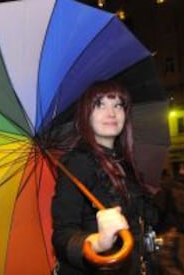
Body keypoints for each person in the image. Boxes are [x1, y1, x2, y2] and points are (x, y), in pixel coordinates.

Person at [51, 81, 158, 274]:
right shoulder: (77, 164)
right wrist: (100, 242)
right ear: (86, 114)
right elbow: (62, 235)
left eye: (118, 105)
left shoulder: (125, 163)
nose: (111, 113)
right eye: (100, 104)